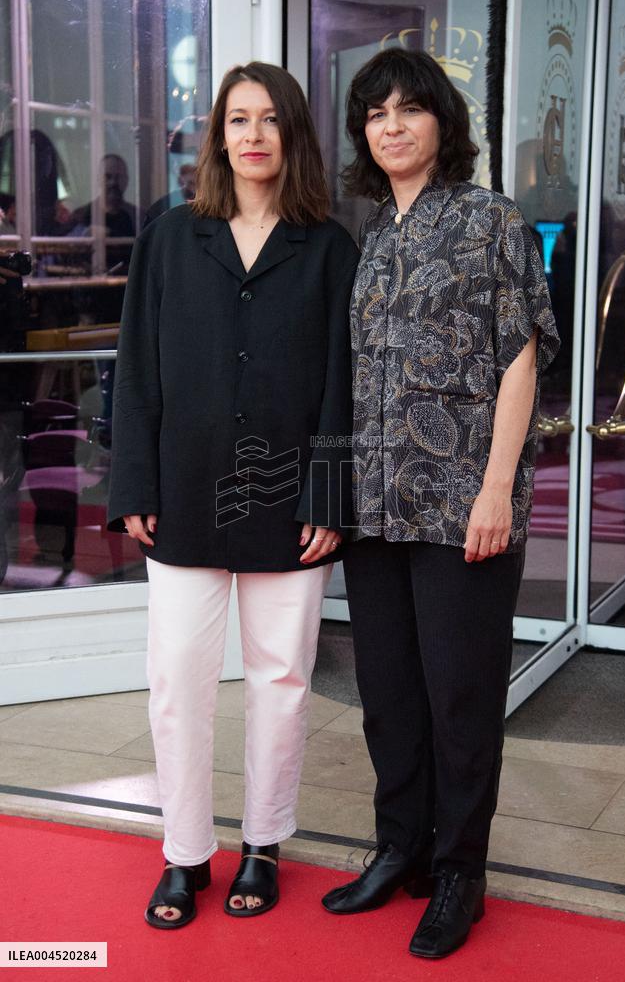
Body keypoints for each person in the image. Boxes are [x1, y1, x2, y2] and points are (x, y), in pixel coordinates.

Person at [107, 61, 358, 929]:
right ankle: (184, 855)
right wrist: (133, 479)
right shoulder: (171, 238)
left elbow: (343, 381)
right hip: (181, 492)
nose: (251, 135)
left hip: (289, 498)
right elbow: (135, 369)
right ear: (217, 134)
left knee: (281, 680)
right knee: (176, 681)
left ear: (293, 133)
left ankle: (263, 844)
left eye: (268, 120)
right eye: (235, 119)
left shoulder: (328, 246)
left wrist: (328, 492)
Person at [320, 48, 560, 959]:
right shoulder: (373, 233)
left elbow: (520, 356)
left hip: (465, 501)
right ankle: (400, 848)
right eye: (375, 112)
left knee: (460, 698)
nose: (391, 125)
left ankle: (460, 870)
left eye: (408, 109)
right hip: (376, 505)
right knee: (388, 694)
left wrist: (497, 486)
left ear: (440, 122)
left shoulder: (490, 219)